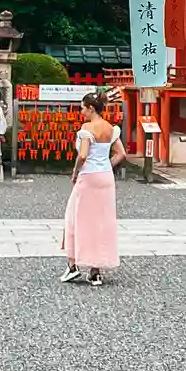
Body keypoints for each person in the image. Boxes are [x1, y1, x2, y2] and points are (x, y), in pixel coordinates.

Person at [62, 92, 124, 287]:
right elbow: (121, 153)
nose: (81, 112)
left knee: (74, 218)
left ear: (91, 108)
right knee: (101, 222)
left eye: (83, 108)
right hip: (106, 177)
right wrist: (105, 166)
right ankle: (95, 272)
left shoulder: (87, 129)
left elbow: (82, 155)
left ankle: (73, 266)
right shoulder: (111, 129)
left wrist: (74, 172)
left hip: (88, 176)